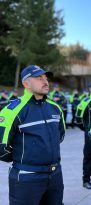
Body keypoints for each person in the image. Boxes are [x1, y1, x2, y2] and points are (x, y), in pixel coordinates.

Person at [0, 65, 66, 205]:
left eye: (45, 78)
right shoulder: (12, 110)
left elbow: (59, 136)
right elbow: (1, 148)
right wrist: (24, 159)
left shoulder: (55, 107)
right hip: (26, 179)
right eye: (39, 78)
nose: (45, 81)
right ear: (26, 83)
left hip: (55, 176)